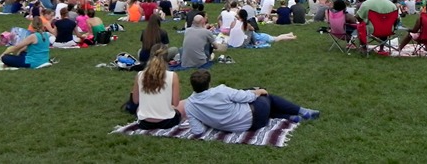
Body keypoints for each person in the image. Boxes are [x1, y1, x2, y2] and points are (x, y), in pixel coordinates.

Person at [182, 70, 319, 135]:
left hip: (243, 127)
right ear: (209, 82)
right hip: (255, 116)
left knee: (253, 97)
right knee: (267, 97)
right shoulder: (220, 91)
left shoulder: (190, 105)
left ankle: (290, 117)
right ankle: (302, 111)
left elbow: (198, 130)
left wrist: (209, 118)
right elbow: (247, 98)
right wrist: (259, 91)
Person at [132, 44, 182, 130]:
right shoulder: (172, 76)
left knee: (138, 109)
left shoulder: (140, 75)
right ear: (167, 57)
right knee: (180, 110)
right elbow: (176, 103)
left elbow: (135, 100)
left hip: (145, 122)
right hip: (167, 121)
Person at [228, 9, 297, 48]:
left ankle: (289, 35)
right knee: (275, 38)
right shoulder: (246, 25)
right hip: (258, 37)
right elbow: (252, 30)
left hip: (236, 43)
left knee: (274, 37)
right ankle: (291, 37)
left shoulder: (234, 23)